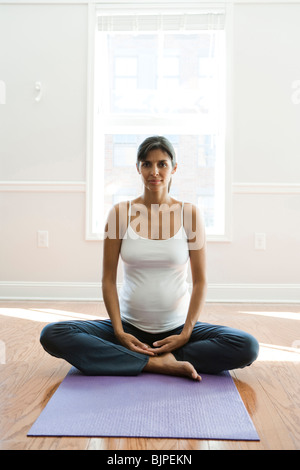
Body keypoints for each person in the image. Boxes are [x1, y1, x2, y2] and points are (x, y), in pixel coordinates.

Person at [40, 136, 259, 381]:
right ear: (138, 168)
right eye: (146, 164)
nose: (154, 172)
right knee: (53, 333)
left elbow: (200, 282)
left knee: (246, 346)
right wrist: (119, 332)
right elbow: (108, 280)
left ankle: (138, 358)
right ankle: (157, 363)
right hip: (129, 329)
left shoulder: (190, 215)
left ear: (174, 168)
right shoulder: (119, 214)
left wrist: (186, 333)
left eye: (162, 164)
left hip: (176, 331)